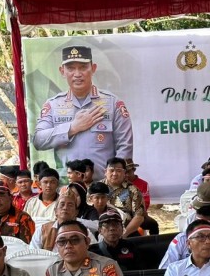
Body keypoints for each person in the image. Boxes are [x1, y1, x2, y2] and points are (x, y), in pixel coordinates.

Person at [33, 46, 134, 180]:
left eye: (82, 67)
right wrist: (72, 128)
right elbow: (38, 140)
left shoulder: (112, 103)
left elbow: (125, 146)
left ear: (93, 69)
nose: (77, 74)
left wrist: (114, 181)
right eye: (71, 68)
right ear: (62, 71)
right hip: (67, 190)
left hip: (104, 189)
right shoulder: (53, 105)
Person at [159, 204, 210, 268]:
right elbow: (164, 269)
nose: (197, 226)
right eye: (196, 221)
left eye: (203, 223)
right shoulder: (182, 239)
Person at [30, 193, 97, 251]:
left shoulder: (84, 231)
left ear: (76, 212)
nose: (65, 208)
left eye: (70, 205)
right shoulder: (43, 230)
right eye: (62, 205)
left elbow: (94, 252)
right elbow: (33, 254)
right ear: (55, 211)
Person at [104, 157, 145, 237]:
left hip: (126, 231)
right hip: (100, 230)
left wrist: (123, 235)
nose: (114, 174)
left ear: (124, 173)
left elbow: (139, 216)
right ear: (105, 172)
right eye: (111, 170)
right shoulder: (96, 188)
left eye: (119, 171)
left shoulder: (133, 190)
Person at [125, 159, 159, 235]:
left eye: (128, 172)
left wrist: (139, 213)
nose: (126, 175)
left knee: (154, 224)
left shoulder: (143, 184)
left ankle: (154, 244)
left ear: (134, 170)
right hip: (124, 215)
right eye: (125, 172)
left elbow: (146, 202)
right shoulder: (121, 183)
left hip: (139, 214)